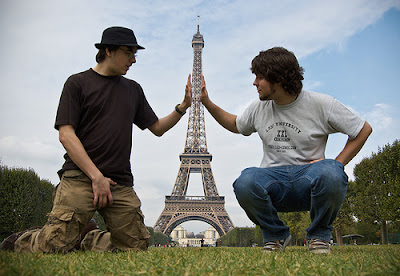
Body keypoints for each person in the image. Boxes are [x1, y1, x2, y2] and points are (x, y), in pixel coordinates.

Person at [1, 26, 192, 253]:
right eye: (129, 52)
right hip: (80, 178)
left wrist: (183, 107)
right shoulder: (77, 83)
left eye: (135, 54)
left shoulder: (133, 90)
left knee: (135, 248)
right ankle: (26, 239)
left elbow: (157, 128)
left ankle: (88, 238)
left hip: (119, 182)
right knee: (52, 247)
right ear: (109, 50)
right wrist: (96, 177)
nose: (133, 59)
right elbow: (66, 135)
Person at [199, 47, 372, 254]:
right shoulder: (259, 107)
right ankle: (275, 236)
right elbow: (236, 125)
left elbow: (363, 129)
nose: (254, 83)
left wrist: (338, 163)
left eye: (260, 77)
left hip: (308, 180)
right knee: (245, 181)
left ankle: (318, 237)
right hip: (274, 183)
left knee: (332, 172)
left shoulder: (321, 104)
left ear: (278, 79)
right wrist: (206, 102)